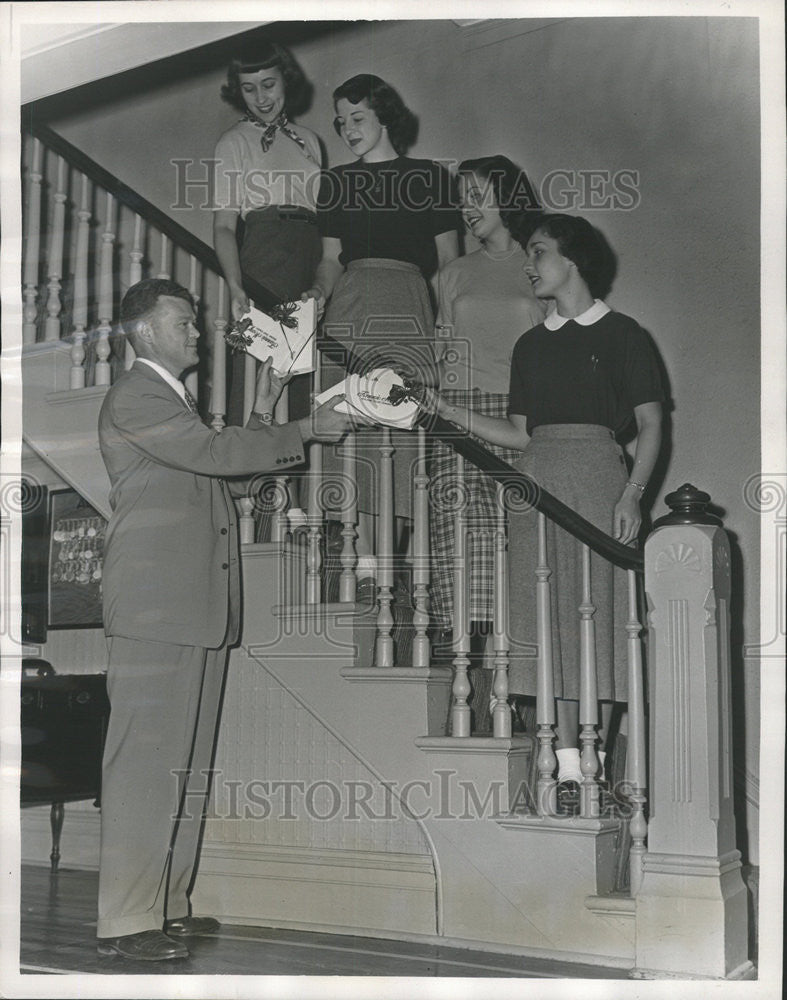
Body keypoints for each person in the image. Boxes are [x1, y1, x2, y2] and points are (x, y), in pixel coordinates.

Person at [96, 278, 354, 961]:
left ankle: (164, 907)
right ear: (144, 330)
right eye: (183, 320)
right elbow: (215, 456)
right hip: (157, 609)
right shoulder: (137, 394)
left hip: (192, 607)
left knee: (183, 772)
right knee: (145, 770)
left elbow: (226, 474)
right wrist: (300, 430)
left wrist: (271, 407)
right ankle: (125, 921)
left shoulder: (172, 404)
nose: (196, 332)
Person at [427, 215, 663, 783]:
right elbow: (519, 433)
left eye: (538, 252)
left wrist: (633, 497)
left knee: (598, 621)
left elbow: (652, 424)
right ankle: (559, 762)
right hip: (537, 484)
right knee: (543, 621)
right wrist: (447, 409)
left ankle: (593, 766)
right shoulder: (530, 343)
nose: (528, 265)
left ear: (572, 259)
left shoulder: (625, 334)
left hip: (600, 480)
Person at [302, 73, 459, 593]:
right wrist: (317, 296)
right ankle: (366, 561)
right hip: (349, 306)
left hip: (408, 305)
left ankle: (395, 567)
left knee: (401, 433)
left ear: (385, 115)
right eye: (341, 121)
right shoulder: (335, 183)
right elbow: (329, 261)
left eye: (358, 118)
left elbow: (449, 263)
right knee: (354, 433)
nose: (348, 129)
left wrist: (444, 323)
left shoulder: (429, 177)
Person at [428, 157, 545, 727]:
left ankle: (524, 700)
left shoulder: (539, 264)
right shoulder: (453, 275)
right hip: (458, 415)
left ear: (507, 196)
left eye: (477, 194)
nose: (467, 207)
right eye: (462, 197)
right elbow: (444, 352)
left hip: (521, 419)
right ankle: (469, 694)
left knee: (518, 552)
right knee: (461, 556)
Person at [212, 41, 322, 430]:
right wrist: (236, 285)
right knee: (260, 368)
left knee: (301, 377)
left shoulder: (309, 140)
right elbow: (225, 226)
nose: (261, 97)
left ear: (286, 82)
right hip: (266, 251)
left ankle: (288, 483)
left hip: (311, 251)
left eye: (269, 84)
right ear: (237, 91)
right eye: (249, 88)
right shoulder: (234, 141)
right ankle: (249, 474)